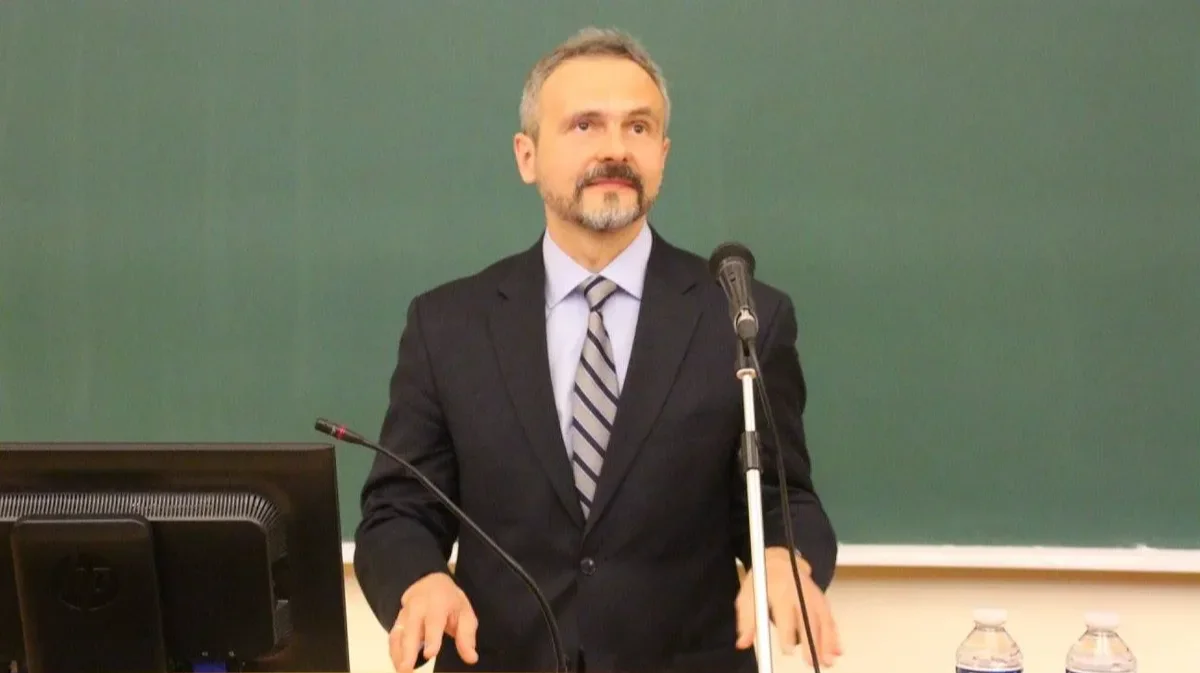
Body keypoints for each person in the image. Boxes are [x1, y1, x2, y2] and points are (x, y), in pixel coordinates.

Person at [354, 26, 841, 673]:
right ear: (527, 155)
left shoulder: (742, 317)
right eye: (585, 126)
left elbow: (784, 499)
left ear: (662, 154)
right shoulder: (448, 325)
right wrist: (419, 579)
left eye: (638, 127)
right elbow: (398, 510)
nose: (615, 149)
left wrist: (784, 555)